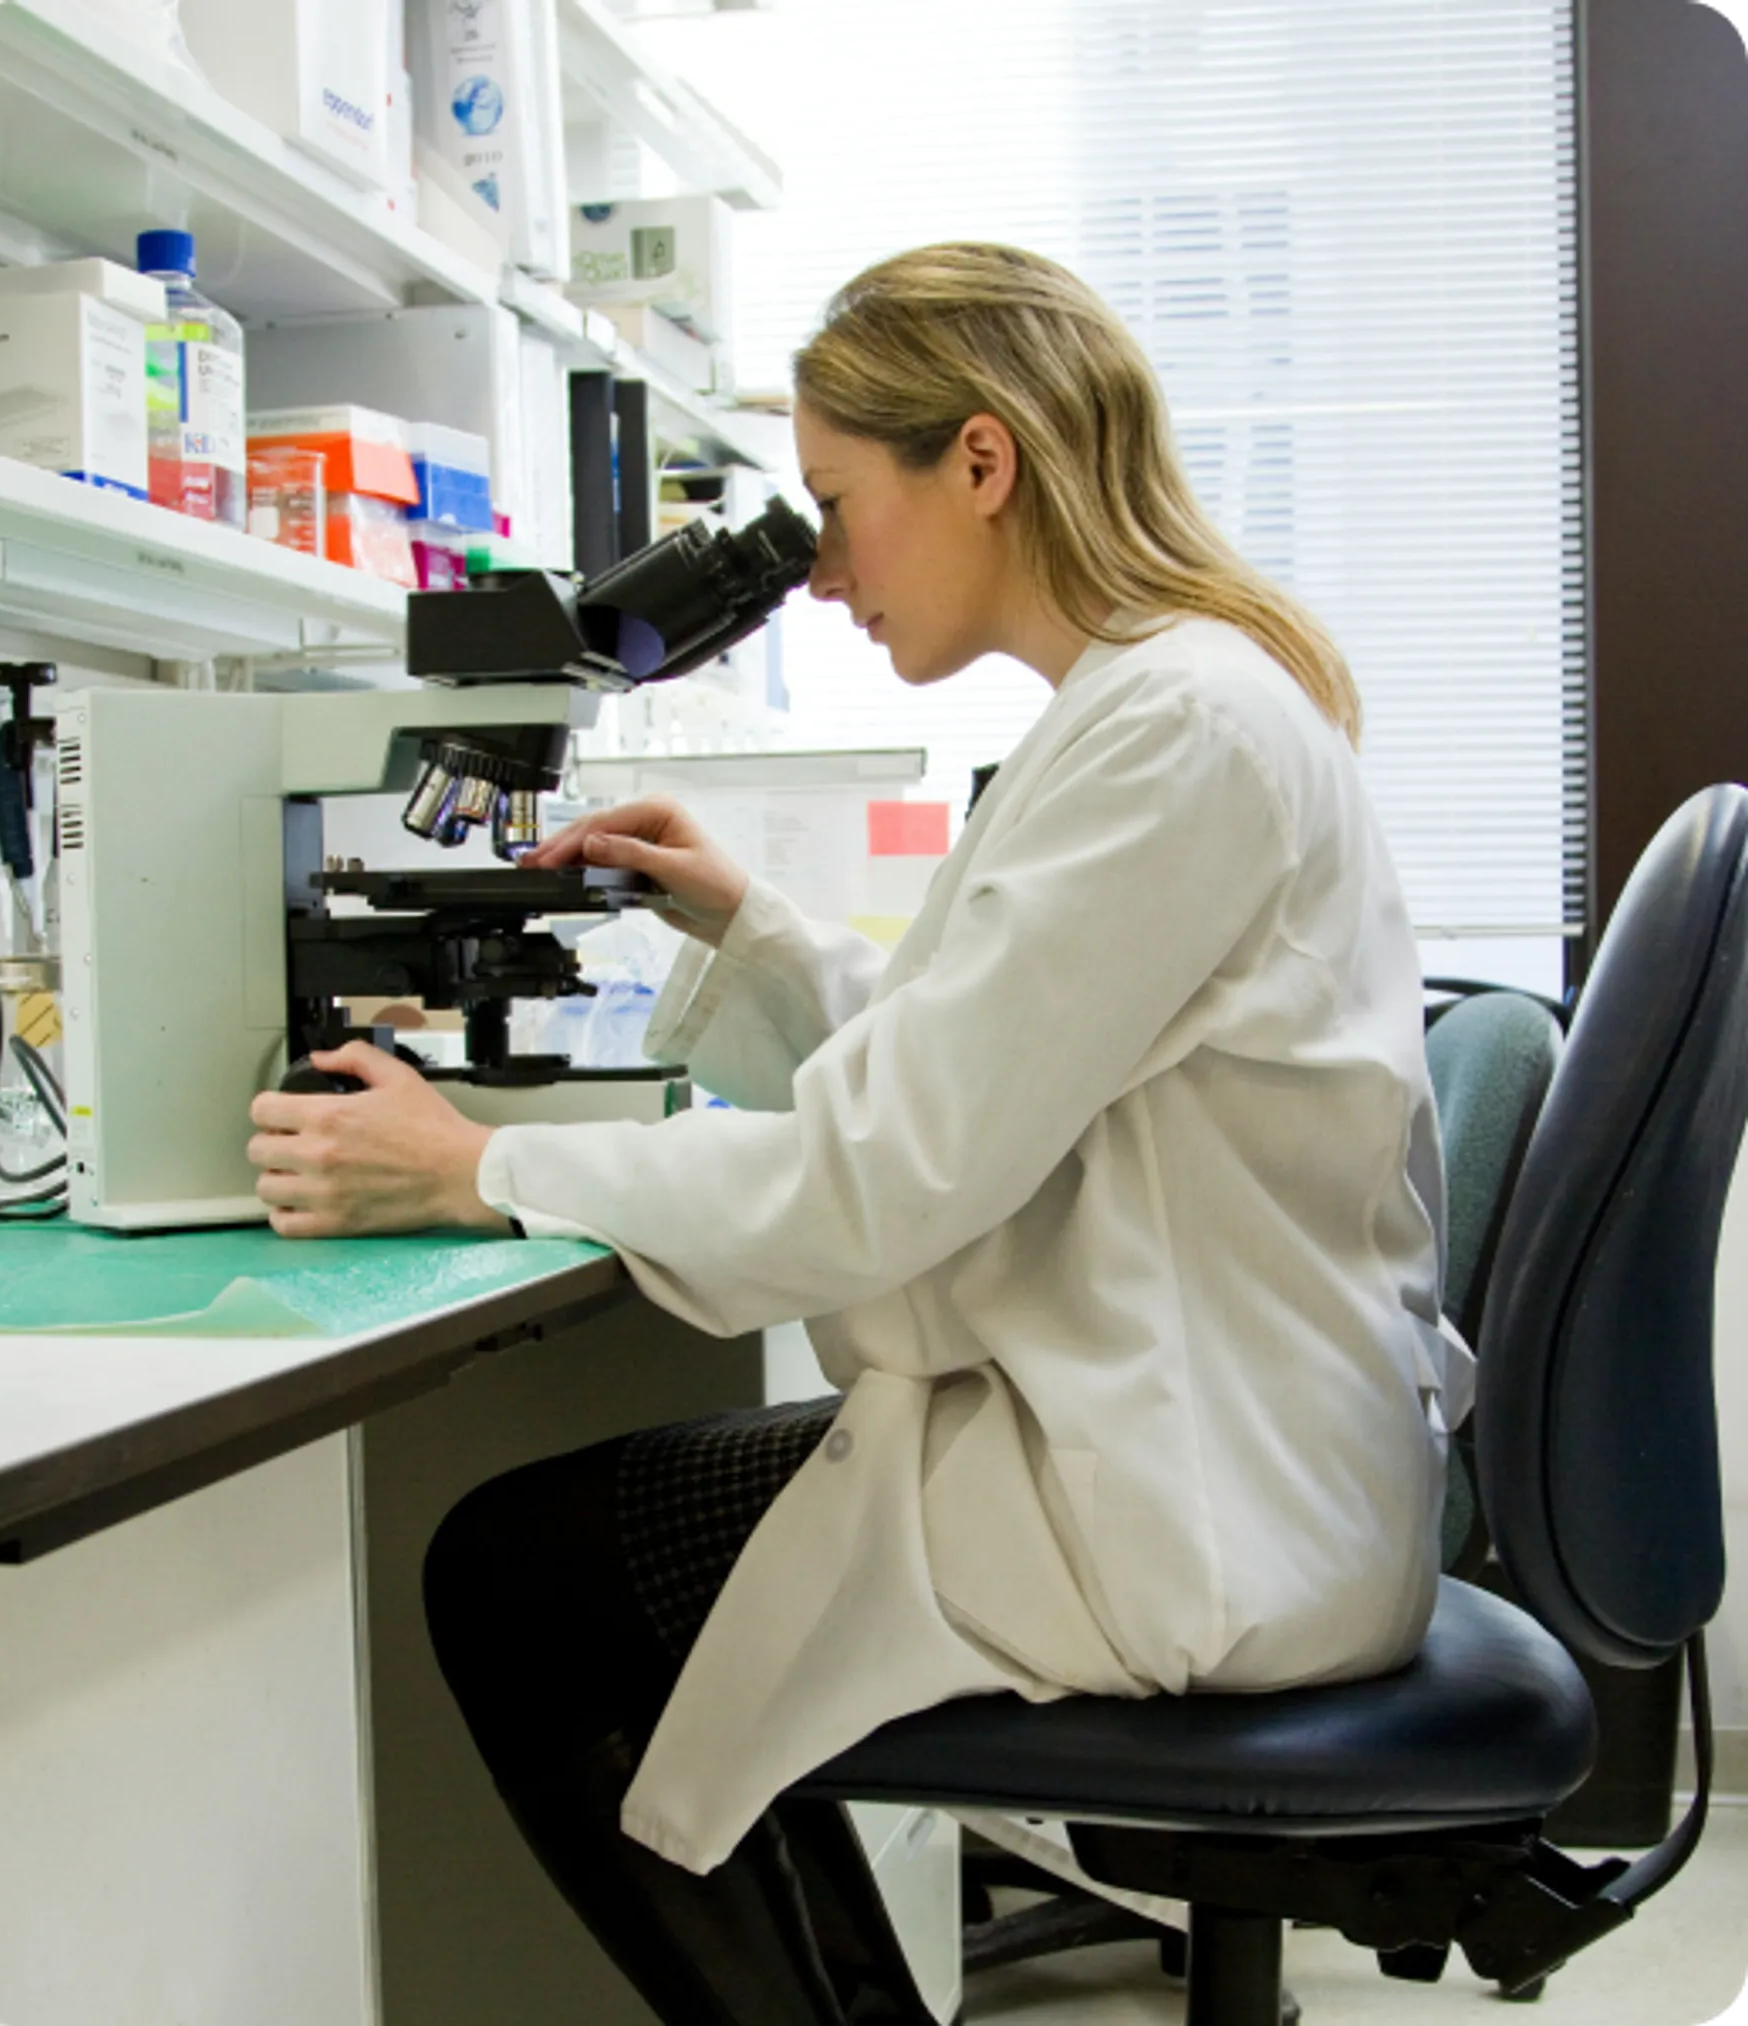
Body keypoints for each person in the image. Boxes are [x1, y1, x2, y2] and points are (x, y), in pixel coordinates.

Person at [246, 242, 1472, 2025]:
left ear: (982, 462)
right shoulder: (1159, 706)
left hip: (1191, 1498)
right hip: (1187, 1435)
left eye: (835, 502)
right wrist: (751, 929)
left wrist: (475, 1165)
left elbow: (881, 1174)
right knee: (670, 1616)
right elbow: (990, 1065)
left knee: (519, 1578)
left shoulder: (1173, 733)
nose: (817, 571)